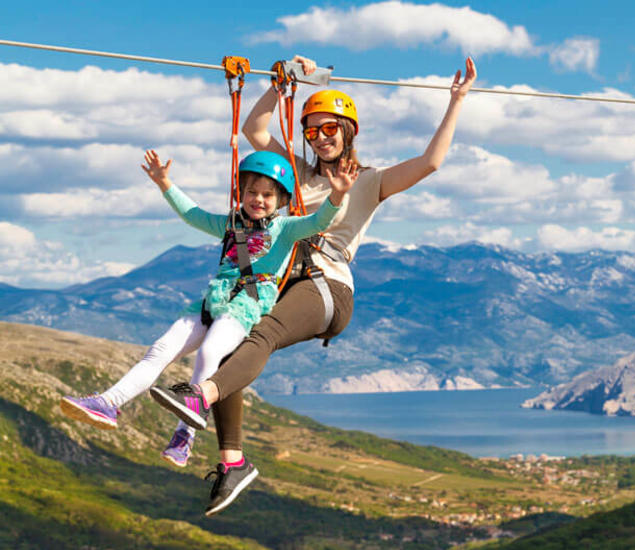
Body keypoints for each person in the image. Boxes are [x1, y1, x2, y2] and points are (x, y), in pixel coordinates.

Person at [151, 55, 476, 515]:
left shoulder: (369, 182)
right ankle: (233, 462)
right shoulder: (295, 175)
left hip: (328, 285)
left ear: (349, 131)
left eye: (330, 129)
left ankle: (200, 395)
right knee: (230, 346)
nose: (321, 138)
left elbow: (430, 162)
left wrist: (457, 101)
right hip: (284, 282)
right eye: (312, 131)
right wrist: (283, 83)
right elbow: (254, 129)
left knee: (258, 336)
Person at [61, 149, 355, 474]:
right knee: (160, 349)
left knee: (211, 352)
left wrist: (338, 193)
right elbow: (192, 214)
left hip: (248, 302)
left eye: (267, 195)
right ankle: (108, 403)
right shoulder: (230, 223)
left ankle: (184, 434)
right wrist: (165, 183)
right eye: (251, 192)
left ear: (282, 200)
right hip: (214, 299)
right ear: (240, 193)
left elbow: (319, 221)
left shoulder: (285, 228)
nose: (258, 199)